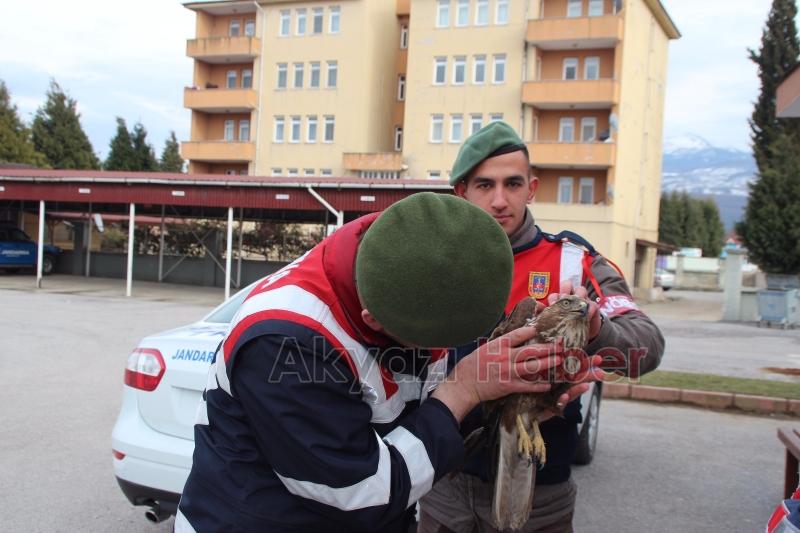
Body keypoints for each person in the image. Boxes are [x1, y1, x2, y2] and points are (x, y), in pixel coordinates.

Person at [175, 192, 596, 533]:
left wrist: (511, 408)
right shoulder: (286, 342)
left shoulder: (416, 264)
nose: (446, 350)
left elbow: (418, 416)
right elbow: (358, 495)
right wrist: (464, 388)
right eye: (434, 342)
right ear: (373, 320)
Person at [418, 122, 666, 533]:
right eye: (484, 185)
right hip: (444, 486)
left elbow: (646, 350)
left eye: (512, 184)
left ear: (531, 188)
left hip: (539, 494)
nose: (500, 200)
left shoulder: (576, 262)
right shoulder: (431, 266)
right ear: (462, 192)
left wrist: (594, 329)